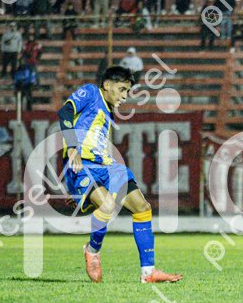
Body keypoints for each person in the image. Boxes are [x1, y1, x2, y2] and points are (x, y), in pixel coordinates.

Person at [57, 66, 183, 284]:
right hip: (83, 166)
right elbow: (65, 112)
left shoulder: (108, 111)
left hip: (105, 165)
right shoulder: (91, 92)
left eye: (128, 91)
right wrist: (72, 148)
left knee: (142, 208)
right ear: (107, 85)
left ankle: (148, 273)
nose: (125, 96)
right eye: (122, 89)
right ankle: (92, 250)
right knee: (107, 206)